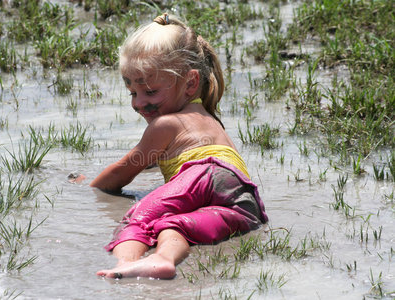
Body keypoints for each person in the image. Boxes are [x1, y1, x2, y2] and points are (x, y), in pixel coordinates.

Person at [85, 13, 268, 279]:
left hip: (203, 175)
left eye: (150, 91)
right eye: (133, 93)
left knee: (139, 218)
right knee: (177, 224)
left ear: (190, 83)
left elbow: (118, 176)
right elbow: (205, 170)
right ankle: (163, 258)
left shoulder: (165, 125)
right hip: (244, 202)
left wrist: (88, 187)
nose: (138, 103)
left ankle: (125, 263)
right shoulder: (209, 120)